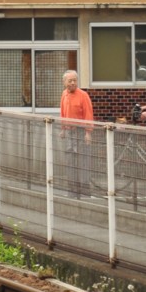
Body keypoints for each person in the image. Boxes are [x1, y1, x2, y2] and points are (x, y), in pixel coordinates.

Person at [59, 70, 94, 198]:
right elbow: (63, 112)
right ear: (64, 82)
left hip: (80, 131)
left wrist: (88, 132)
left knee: (83, 160)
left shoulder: (83, 95)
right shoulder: (64, 94)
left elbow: (88, 114)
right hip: (69, 131)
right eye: (70, 81)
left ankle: (84, 189)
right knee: (70, 160)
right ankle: (72, 188)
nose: (73, 83)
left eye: (74, 80)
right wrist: (63, 128)